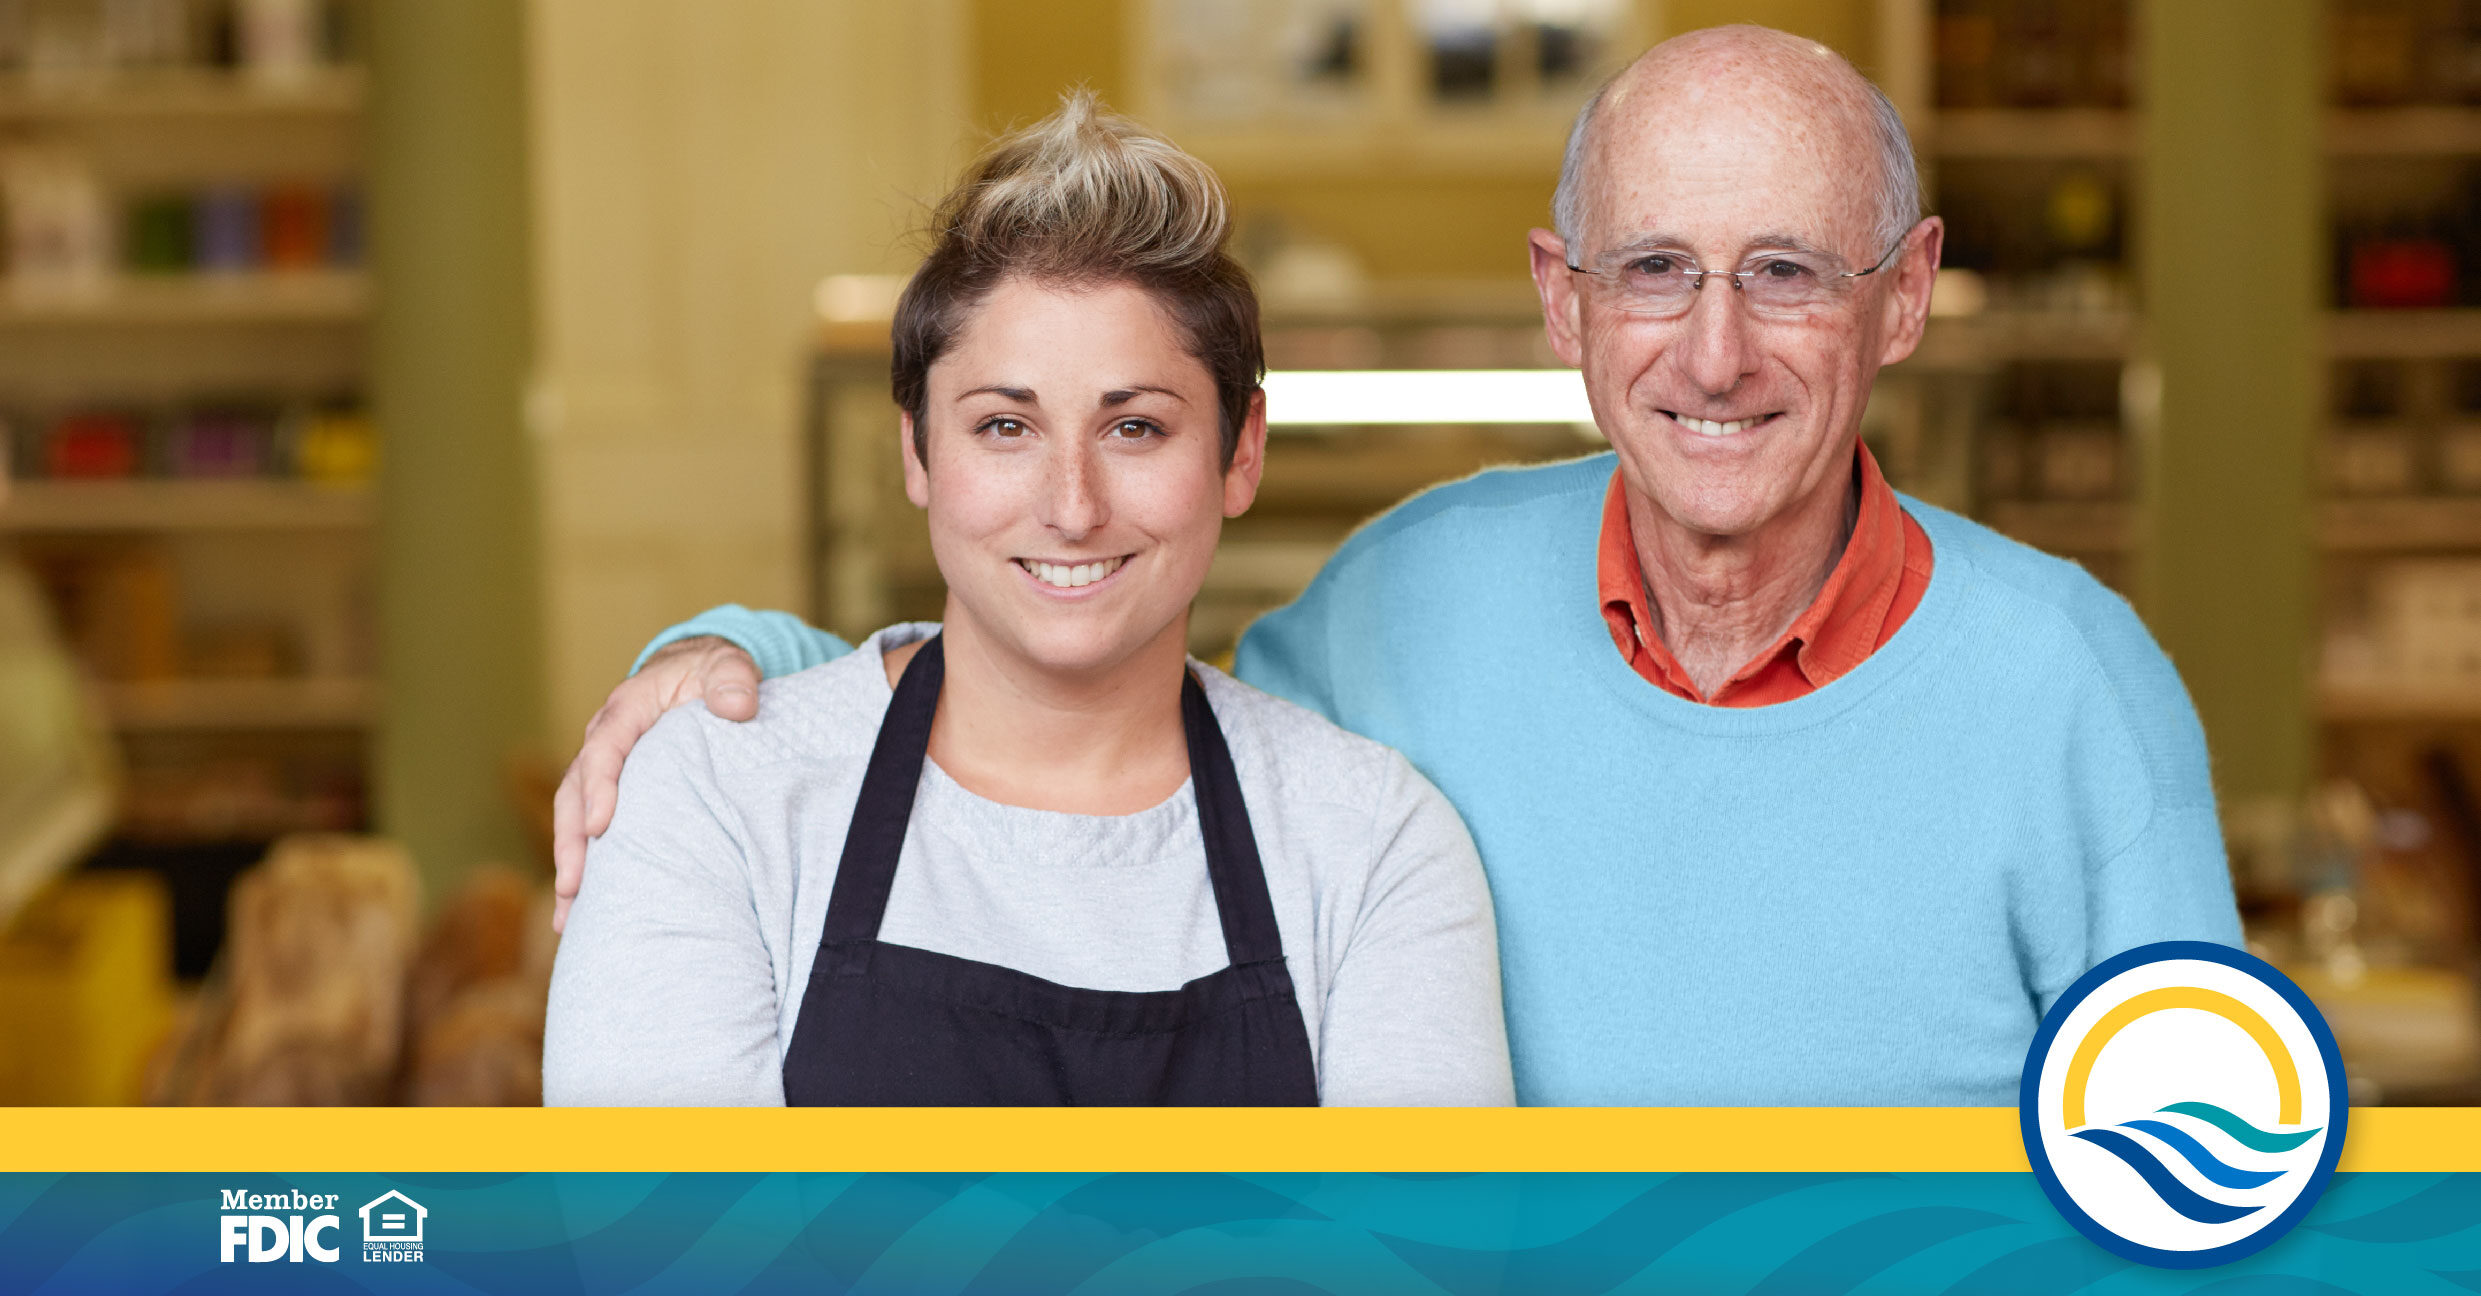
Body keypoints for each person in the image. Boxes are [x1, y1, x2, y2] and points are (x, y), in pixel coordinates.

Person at [554, 27, 2240, 1106]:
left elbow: (2204, 1189)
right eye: (1653, 269)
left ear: (1904, 294)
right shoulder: (1414, 597)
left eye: (1787, 272)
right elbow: (1079, 677)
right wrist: (727, 662)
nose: (1714, 353)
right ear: (1564, 300)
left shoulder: (2074, 687)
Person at [541, 95, 1514, 1107]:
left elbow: (1418, 1261)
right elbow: (666, 1254)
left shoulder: (1372, 848)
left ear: (1243, 451)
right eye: (1006, 427)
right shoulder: (715, 803)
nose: (1072, 506)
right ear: (917, 449)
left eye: (1135, 428)